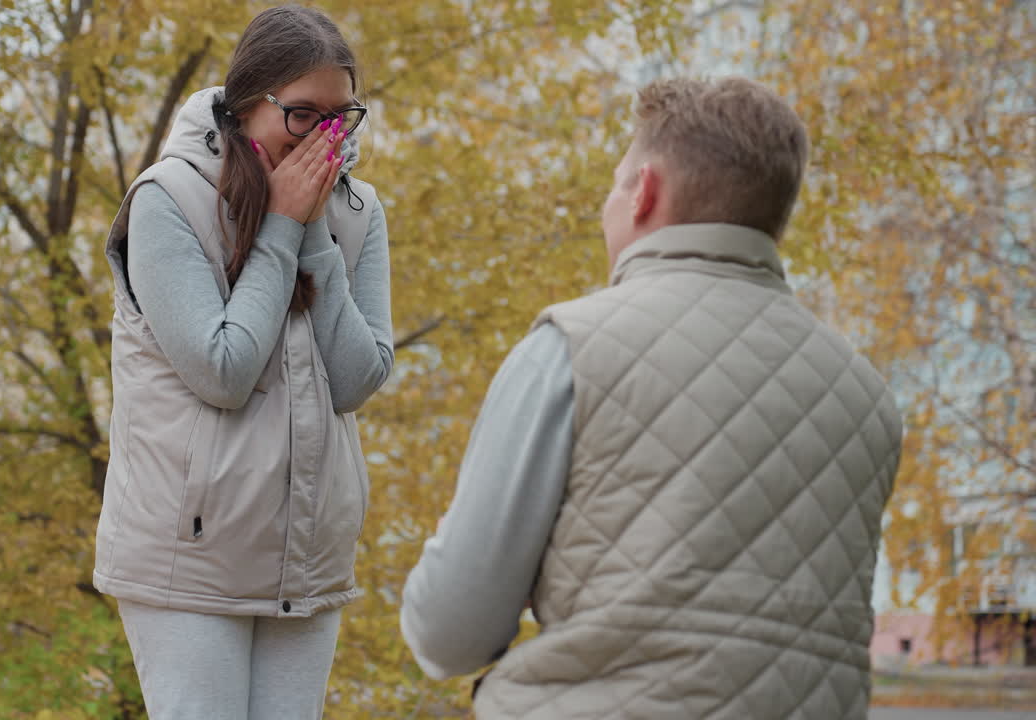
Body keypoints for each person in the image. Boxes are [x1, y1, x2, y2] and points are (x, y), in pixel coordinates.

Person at [400, 77, 904, 719]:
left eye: (616, 184)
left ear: (644, 192)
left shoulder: (569, 349)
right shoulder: (866, 396)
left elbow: (451, 631)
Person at [92, 6, 392, 719]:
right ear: (245, 104)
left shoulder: (356, 210)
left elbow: (357, 379)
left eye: (341, 116)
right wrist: (282, 226)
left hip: (304, 557)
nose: (325, 137)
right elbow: (223, 370)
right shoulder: (169, 200)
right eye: (302, 114)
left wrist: (313, 226)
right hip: (187, 560)